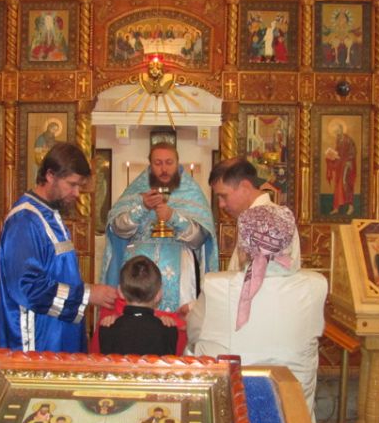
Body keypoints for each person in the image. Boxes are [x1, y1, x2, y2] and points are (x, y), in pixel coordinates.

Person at [185, 205, 327, 423]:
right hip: (293, 419)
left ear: (243, 247)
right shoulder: (315, 285)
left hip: (231, 417)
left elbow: (193, 334)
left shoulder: (216, 285)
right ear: (288, 243)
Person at [0, 142, 116, 352]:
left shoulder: (49, 214)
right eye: (72, 184)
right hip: (36, 341)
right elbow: (27, 287)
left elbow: (58, 274)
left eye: (79, 186)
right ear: (50, 175)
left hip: (57, 333)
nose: (77, 193)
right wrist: (88, 294)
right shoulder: (24, 221)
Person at [102, 142, 218, 313]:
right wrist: (141, 208)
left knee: (176, 321)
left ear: (177, 163)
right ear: (150, 165)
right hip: (137, 270)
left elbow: (199, 238)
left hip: (179, 268)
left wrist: (173, 217)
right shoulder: (135, 192)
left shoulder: (191, 193)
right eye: (158, 163)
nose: (164, 169)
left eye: (169, 162)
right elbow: (118, 229)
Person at [208, 156, 300, 272]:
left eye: (224, 196)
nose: (221, 204)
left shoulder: (266, 220)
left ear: (245, 187)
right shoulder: (255, 217)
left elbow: (260, 277)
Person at [98, 255, 179, 356]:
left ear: (120, 292)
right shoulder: (168, 331)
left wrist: (110, 325)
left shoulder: (108, 329)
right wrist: (166, 325)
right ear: (159, 294)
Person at [325, 120, 357, 215]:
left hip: (347, 165)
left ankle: (350, 207)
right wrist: (331, 156)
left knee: (345, 184)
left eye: (337, 131)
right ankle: (336, 208)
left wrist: (348, 161)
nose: (336, 133)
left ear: (341, 130)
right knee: (338, 185)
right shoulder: (338, 140)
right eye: (335, 132)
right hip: (340, 165)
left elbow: (353, 152)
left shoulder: (348, 140)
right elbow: (338, 153)